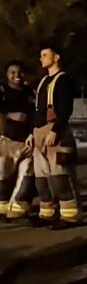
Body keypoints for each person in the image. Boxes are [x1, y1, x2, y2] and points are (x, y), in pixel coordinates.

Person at [27, 45, 82, 228]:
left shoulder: (63, 80)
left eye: (45, 55)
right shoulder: (43, 81)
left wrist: (55, 130)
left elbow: (65, 108)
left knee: (60, 175)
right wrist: (31, 133)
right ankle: (47, 212)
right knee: (42, 178)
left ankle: (70, 215)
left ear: (56, 57)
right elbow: (38, 111)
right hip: (39, 132)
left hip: (55, 133)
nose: (41, 58)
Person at [0, 60, 37, 221]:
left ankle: (17, 210)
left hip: (26, 142)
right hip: (6, 141)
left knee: (25, 178)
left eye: (19, 72)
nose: (17, 76)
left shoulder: (30, 93)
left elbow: (36, 114)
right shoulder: (2, 91)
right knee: (3, 177)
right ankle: (1, 208)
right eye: (12, 72)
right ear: (7, 75)